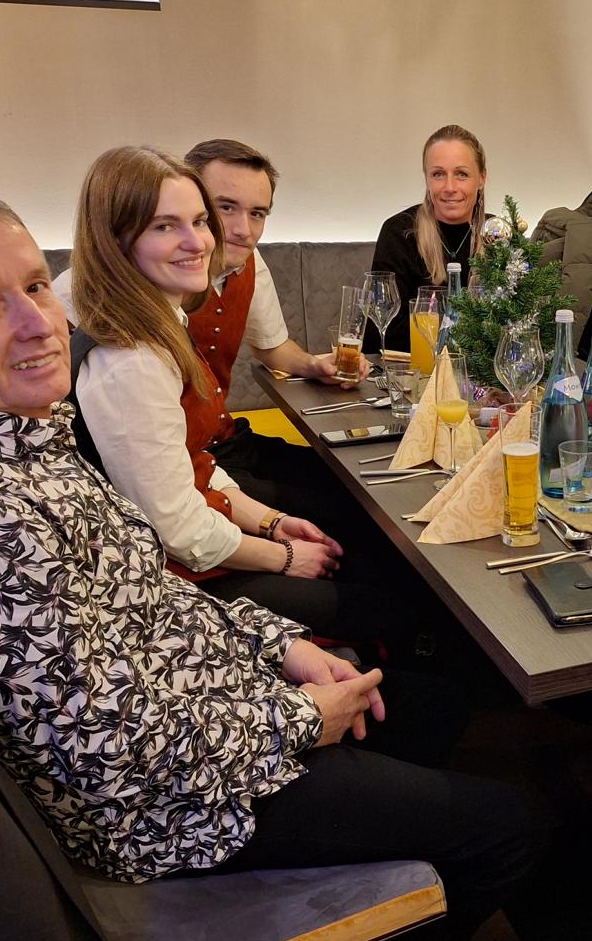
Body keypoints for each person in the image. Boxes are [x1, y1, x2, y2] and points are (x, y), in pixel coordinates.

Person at [0, 183, 547, 941]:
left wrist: (281, 647)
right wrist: (297, 719)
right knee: (515, 826)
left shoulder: (17, 437)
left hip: (202, 716)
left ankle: (367, 877)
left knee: (431, 706)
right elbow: (110, 753)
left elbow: (147, 596)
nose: (40, 323)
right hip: (177, 807)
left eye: (35, 285)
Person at [67, 146, 385, 644]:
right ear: (115, 242)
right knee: (385, 594)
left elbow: (194, 461)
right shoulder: (127, 357)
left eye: (199, 221)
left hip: (205, 500)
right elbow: (177, 531)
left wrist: (273, 523)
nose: (200, 240)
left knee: (366, 532)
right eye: (165, 226)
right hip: (173, 580)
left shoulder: (161, 319)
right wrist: (282, 555)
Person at [55, 138, 356, 521]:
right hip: (166, 465)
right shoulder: (84, 293)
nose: (242, 230)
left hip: (220, 442)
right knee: (346, 516)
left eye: (257, 213)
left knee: (352, 486)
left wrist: (314, 365)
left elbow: (271, 346)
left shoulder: (248, 264)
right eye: (224, 208)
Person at [371, 123, 487, 351]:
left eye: (462, 174)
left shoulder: (498, 236)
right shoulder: (399, 233)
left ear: (481, 178)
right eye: (438, 174)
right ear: (426, 178)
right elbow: (380, 335)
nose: (449, 187)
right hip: (414, 369)